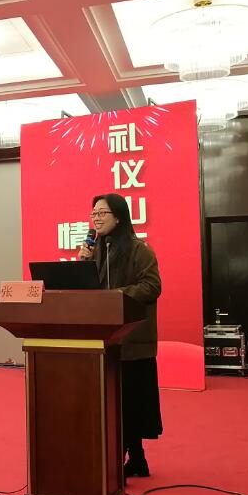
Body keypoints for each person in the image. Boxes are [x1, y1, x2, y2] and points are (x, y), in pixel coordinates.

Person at [78, 193, 162, 478]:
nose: (96, 218)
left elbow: (152, 286)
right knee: (114, 403)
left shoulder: (140, 250)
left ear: (119, 217)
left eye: (102, 213)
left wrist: (116, 296)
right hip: (106, 339)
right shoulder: (97, 250)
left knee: (131, 403)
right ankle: (135, 459)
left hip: (133, 341)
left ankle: (128, 458)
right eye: (94, 213)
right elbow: (90, 290)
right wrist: (82, 265)